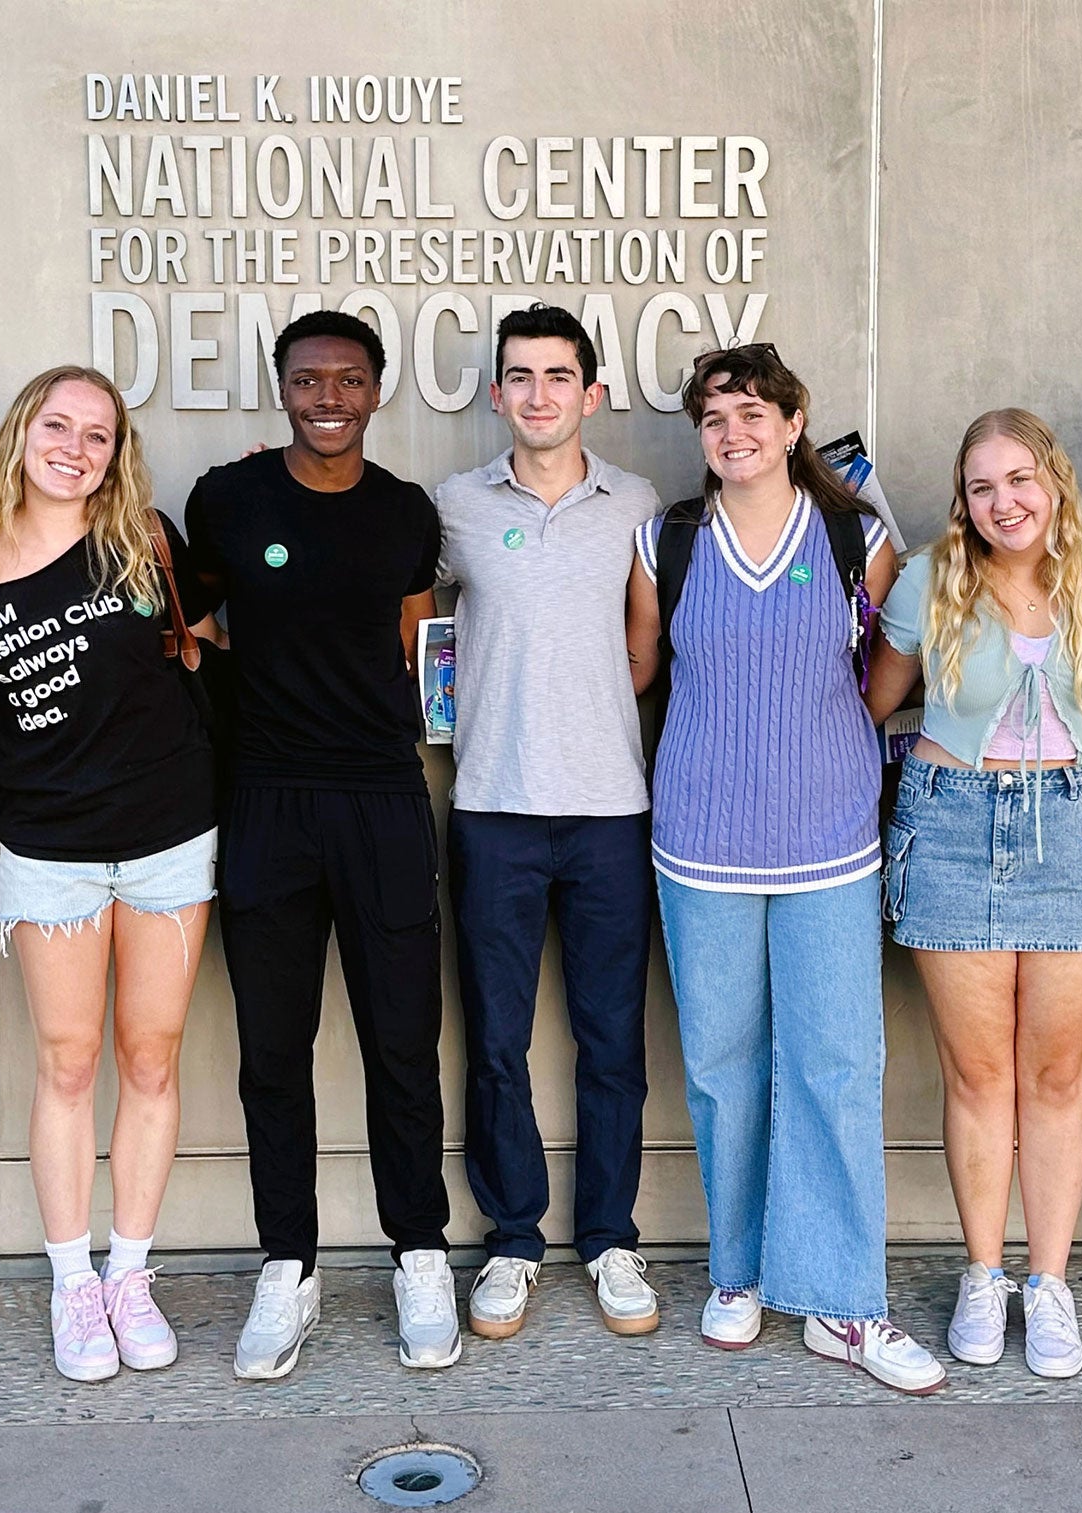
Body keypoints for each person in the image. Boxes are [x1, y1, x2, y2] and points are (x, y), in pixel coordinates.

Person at [625, 344, 944, 1396]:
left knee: (836, 1066)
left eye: (753, 412)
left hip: (827, 841)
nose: (734, 433)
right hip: (700, 841)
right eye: (714, 418)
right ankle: (739, 1272)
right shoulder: (665, 537)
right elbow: (636, 670)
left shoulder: (856, 534)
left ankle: (845, 1299)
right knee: (720, 1065)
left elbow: (889, 671)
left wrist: (828, 747)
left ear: (795, 421)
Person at [0, 366, 217, 1383]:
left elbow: (209, 638)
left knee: (150, 1057)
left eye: (98, 434)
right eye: (58, 425)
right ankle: (71, 1283)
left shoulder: (142, 538)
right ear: (21, 432)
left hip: (171, 835)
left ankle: (130, 1273)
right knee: (66, 1062)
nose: (76, 447)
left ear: (116, 452)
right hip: (47, 844)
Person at [182, 310, 453, 1380]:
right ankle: (285, 1265)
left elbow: (418, 644)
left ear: (376, 391)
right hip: (269, 800)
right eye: (308, 381)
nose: (327, 397)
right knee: (271, 1053)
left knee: (402, 1043)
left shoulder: (404, 514)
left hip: (384, 798)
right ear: (282, 390)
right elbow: (191, 624)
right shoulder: (228, 500)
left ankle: (419, 1252)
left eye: (347, 380)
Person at [864, 407, 1082, 1381]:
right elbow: (875, 698)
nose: (1002, 502)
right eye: (981, 487)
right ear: (963, 501)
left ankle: (1048, 1282)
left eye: (1018, 479)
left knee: (1057, 1078)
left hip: (1079, 826)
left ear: (1054, 479)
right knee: (979, 1078)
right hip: (948, 826)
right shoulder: (932, 579)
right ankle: (985, 1274)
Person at [431, 305, 665, 1342]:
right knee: (495, 1041)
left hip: (611, 812)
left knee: (612, 1038)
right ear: (496, 394)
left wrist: (583, 708)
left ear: (591, 393)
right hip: (491, 810)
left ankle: (611, 1235)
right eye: (518, 376)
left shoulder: (638, 502)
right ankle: (514, 1240)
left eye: (557, 376)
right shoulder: (453, 507)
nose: (537, 394)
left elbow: (644, 648)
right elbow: (414, 627)